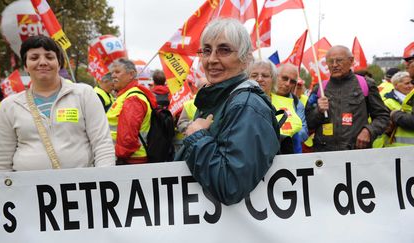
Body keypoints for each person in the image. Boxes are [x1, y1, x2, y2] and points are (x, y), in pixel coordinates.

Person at [175, 18, 280, 205]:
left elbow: (230, 185)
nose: (212, 59)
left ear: (245, 59)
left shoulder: (246, 106)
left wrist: (198, 137)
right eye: (206, 50)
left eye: (224, 50)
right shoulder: (220, 97)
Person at [0, 35, 115, 172]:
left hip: (81, 188)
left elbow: (102, 145)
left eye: (49, 57)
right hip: (27, 190)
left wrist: (103, 181)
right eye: (34, 58)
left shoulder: (84, 94)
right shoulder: (10, 105)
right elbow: (1, 161)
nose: (42, 62)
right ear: (26, 66)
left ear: (59, 63)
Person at [305, 45, 389, 152]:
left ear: (351, 61)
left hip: (356, 152)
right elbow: (308, 122)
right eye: (330, 61)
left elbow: (383, 116)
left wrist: (369, 131)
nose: (334, 65)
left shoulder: (366, 84)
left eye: (339, 60)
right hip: (325, 154)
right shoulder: (319, 88)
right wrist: (318, 111)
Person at [107, 58, 157, 164]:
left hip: (131, 160)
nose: (113, 76)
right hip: (128, 158)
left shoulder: (133, 98)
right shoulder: (127, 95)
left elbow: (128, 138)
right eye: (112, 73)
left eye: (117, 72)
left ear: (131, 74)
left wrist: (117, 156)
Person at [250, 62, 307, 153]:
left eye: (292, 81)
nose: (288, 84)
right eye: (284, 78)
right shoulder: (256, 97)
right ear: (275, 77)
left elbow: (303, 131)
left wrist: (286, 139)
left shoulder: (297, 103)